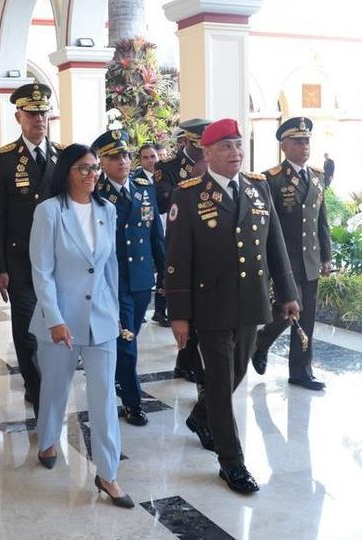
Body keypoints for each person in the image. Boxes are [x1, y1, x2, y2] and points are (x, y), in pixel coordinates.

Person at [164, 118, 299, 494]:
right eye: (225, 146)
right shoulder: (188, 195)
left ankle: (201, 415)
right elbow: (176, 259)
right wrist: (179, 314)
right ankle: (231, 462)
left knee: (236, 373)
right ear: (206, 153)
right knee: (221, 382)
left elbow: (275, 244)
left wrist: (288, 293)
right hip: (211, 304)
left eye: (238, 144)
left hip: (251, 301)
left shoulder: (258, 187)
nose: (235, 152)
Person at [29, 143, 134, 509]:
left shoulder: (107, 210)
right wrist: (54, 318)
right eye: (83, 168)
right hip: (60, 319)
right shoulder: (49, 211)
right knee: (55, 388)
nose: (91, 175)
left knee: (104, 398)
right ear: (67, 172)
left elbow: (109, 267)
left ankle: (108, 474)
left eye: (94, 168)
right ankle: (47, 441)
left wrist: (115, 311)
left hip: (101, 318)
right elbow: (41, 271)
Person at [0, 83, 63, 416]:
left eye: (43, 112)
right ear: (19, 117)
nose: (39, 119)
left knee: (56, 324)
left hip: (58, 261)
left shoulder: (63, 156)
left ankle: (49, 381)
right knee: (26, 330)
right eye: (32, 114)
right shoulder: (4, 159)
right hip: (20, 261)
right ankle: (37, 389)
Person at [251, 117, 332, 391]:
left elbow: (321, 220)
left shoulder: (317, 176)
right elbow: (264, 226)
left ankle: (300, 372)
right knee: (287, 312)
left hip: (310, 259)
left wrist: (326, 256)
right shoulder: (271, 179)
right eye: (298, 142)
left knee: (306, 317)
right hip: (284, 260)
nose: (304, 146)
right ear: (284, 146)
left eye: (307, 141)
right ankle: (261, 341)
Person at [93, 130, 164, 426]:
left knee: (129, 336)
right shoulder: (97, 194)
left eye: (124, 155)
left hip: (142, 279)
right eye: (113, 157)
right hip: (115, 280)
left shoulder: (143, 188)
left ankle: (117, 379)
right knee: (126, 342)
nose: (122, 161)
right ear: (102, 162)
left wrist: (165, 275)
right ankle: (133, 402)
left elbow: (155, 235)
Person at [154, 118, 211, 382]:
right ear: (187, 141)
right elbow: (162, 202)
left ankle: (186, 362)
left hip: (209, 243)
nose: (203, 150)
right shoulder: (168, 167)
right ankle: (191, 365)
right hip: (180, 243)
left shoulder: (214, 160)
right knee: (186, 308)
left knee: (202, 311)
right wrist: (193, 181)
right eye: (198, 145)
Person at [131, 142, 168, 326]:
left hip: (167, 226)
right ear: (140, 160)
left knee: (165, 267)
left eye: (153, 156)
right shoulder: (135, 182)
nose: (150, 161)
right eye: (145, 157)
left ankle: (161, 310)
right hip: (147, 231)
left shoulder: (165, 177)